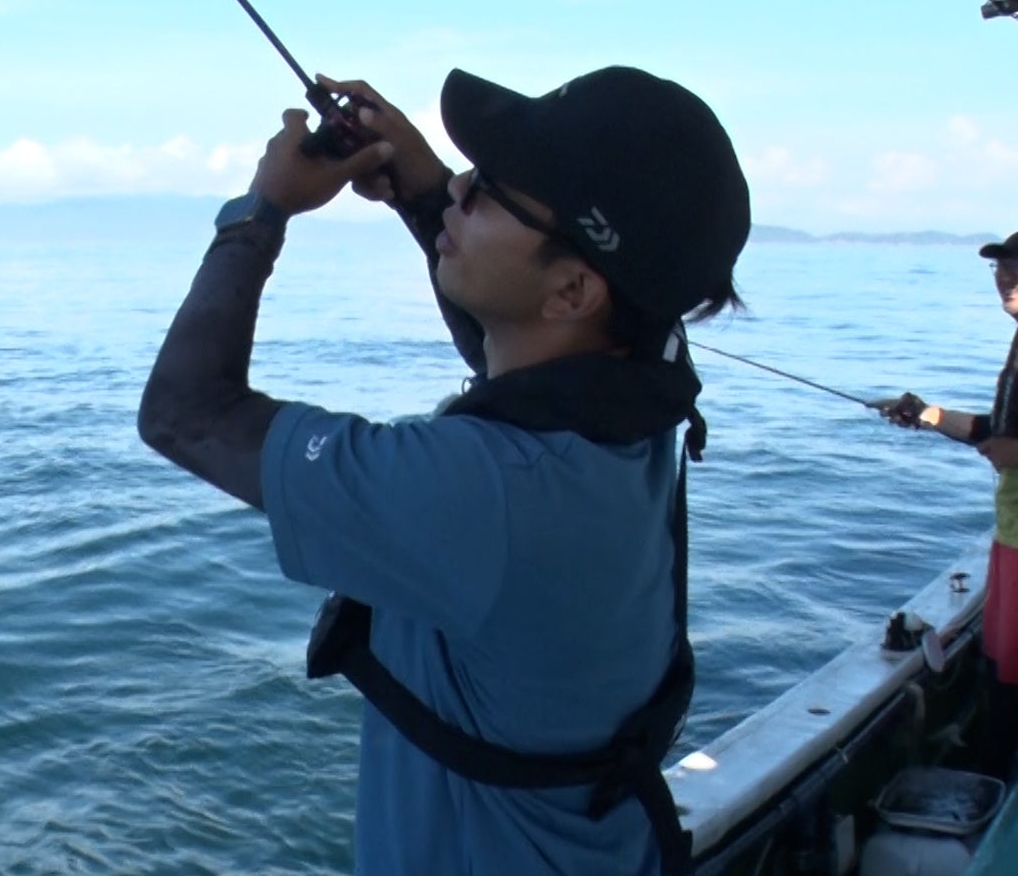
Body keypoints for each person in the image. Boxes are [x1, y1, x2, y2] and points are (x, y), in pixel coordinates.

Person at [137, 65, 751, 875]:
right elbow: (519, 351)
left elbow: (184, 412)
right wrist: (421, 191)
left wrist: (261, 213)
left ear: (574, 289)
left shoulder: (489, 494)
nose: (462, 185)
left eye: (490, 191)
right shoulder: (635, 394)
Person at [870, 230, 1018, 779]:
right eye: (1001, 266)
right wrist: (928, 415)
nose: (1007, 276)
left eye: (1017, 267)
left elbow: (1008, 444)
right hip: (1010, 539)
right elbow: (996, 430)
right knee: (1002, 678)